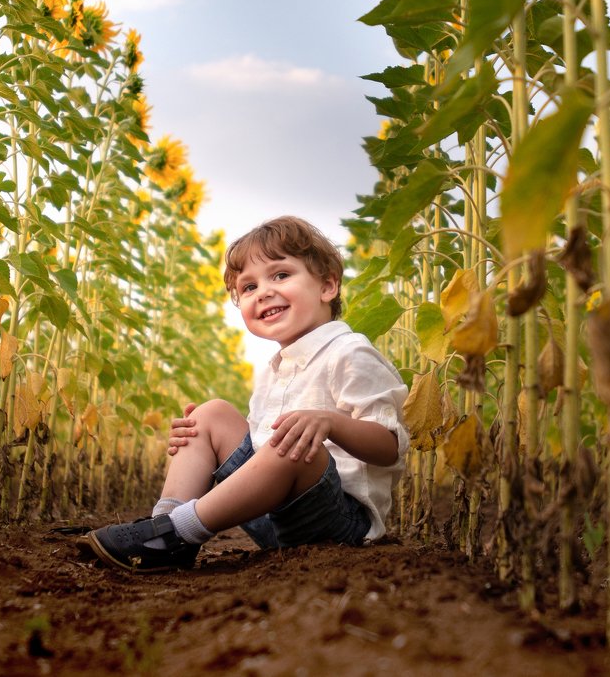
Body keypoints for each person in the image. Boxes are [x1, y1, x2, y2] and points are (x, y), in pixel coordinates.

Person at [86, 215, 409, 572]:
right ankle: (165, 531)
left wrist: (330, 423)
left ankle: (177, 531)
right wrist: (200, 445)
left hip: (339, 523)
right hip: (271, 517)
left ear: (328, 286)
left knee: (294, 444)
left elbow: (389, 447)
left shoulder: (349, 352)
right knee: (209, 414)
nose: (264, 291)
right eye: (249, 287)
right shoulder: (273, 371)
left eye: (281, 275)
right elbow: (256, 456)